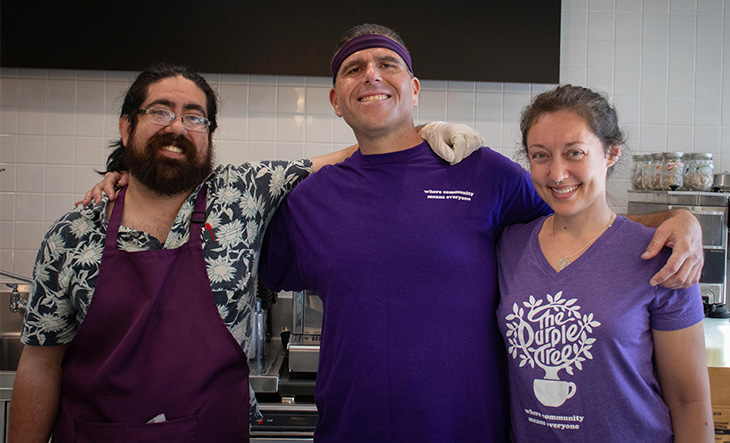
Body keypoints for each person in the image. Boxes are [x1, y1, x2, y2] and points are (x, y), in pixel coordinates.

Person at [257, 24, 704, 442]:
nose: (372, 75)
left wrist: (679, 219)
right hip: (352, 427)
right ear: (336, 100)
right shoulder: (309, 198)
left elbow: (579, 218)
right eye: (355, 68)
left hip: (470, 429)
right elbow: (237, 257)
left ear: (413, 89)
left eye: (387, 64)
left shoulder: (480, 170)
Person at [10, 63, 479, 442]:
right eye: (161, 111)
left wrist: (422, 131)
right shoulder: (73, 234)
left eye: (195, 116)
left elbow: (345, 158)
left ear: (210, 134)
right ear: (127, 124)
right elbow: (40, 362)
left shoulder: (242, 193)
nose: (178, 126)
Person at [496, 85, 713, 442]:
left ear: (611, 153)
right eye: (540, 155)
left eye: (575, 153)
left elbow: (690, 402)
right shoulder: (509, 245)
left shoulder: (664, 256)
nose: (557, 174)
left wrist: (684, 217)